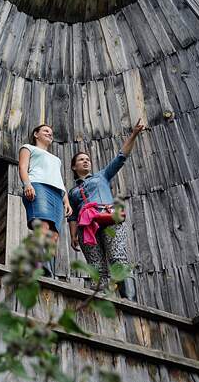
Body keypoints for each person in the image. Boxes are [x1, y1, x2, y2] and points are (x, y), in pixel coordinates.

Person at [68, 119, 145, 299]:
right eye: (81, 160)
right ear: (74, 166)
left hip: (108, 217)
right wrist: (73, 236)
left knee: (117, 256)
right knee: (96, 266)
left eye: (87, 159)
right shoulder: (72, 192)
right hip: (86, 226)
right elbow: (72, 216)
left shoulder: (102, 175)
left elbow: (120, 157)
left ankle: (129, 300)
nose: (86, 162)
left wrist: (133, 135)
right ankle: (103, 301)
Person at [19, 124, 72, 276]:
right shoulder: (28, 147)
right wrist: (27, 184)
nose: (50, 134)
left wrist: (66, 200)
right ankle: (39, 268)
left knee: (54, 235)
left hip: (57, 194)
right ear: (36, 134)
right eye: (46, 131)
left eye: (51, 132)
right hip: (38, 186)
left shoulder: (56, 159)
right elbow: (23, 167)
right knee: (42, 226)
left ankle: (49, 272)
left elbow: (59, 180)